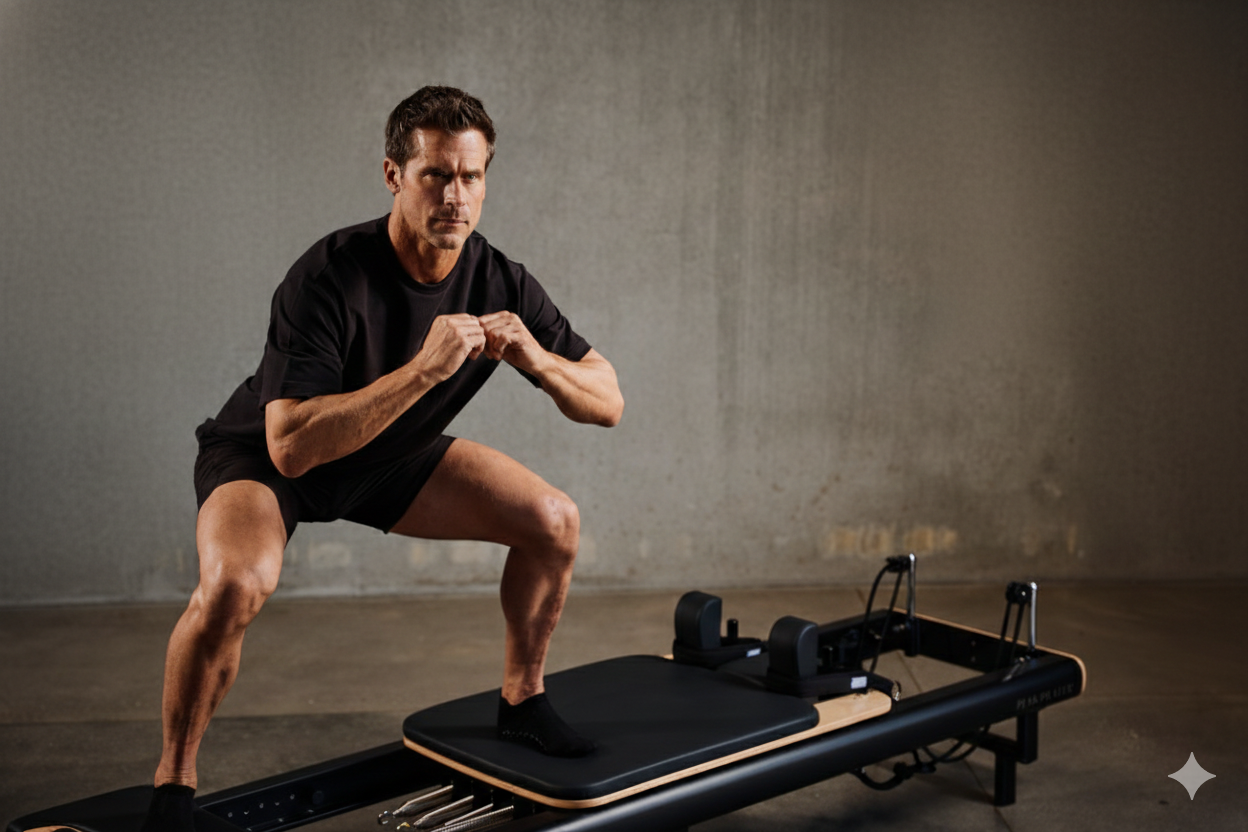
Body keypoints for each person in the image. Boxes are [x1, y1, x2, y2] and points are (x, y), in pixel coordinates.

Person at [141, 86, 623, 831]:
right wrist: (425, 371)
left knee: (553, 521)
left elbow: (607, 399)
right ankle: (173, 785)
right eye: (436, 175)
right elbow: (291, 447)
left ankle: (522, 702)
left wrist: (536, 357)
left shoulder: (499, 279)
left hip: (390, 459)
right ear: (395, 175)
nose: (455, 196)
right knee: (236, 584)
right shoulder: (329, 276)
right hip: (266, 461)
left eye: (471, 177)